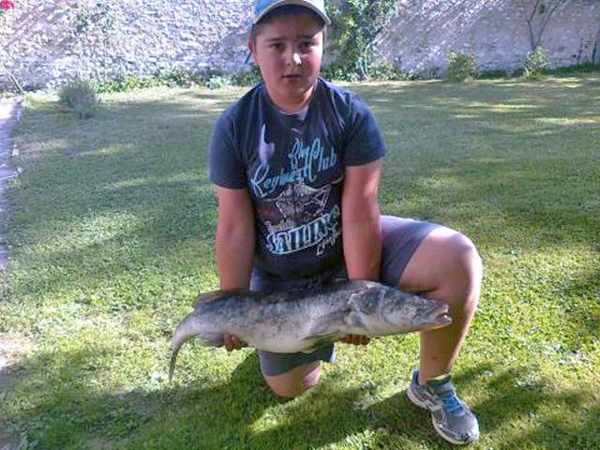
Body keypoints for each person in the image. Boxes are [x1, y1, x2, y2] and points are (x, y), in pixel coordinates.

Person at [208, 0, 482, 444]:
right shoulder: (234, 127)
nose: (293, 58)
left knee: (458, 258)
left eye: (306, 43)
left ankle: (432, 384)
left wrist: (362, 296)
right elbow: (236, 228)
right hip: (281, 275)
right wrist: (234, 307)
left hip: (345, 249)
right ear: (253, 49)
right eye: (277, 44)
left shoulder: (349, 113)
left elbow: (360, 210)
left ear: (323, 46)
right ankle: (288, 337)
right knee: (291, 387)